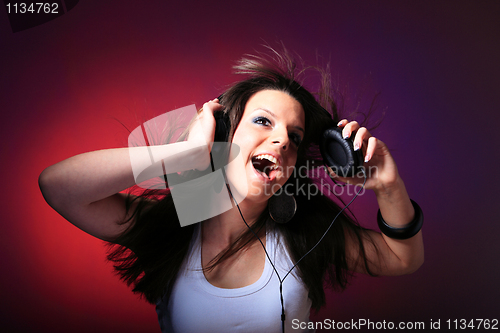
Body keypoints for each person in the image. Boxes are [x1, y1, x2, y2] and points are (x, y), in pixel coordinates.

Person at [39, 48, 424, 333]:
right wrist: (184, 154)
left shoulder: (305, 231)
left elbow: (402, 258)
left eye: (294, 136)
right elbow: (57, 187)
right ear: (226, 135)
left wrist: (389, 185)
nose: (282, 141)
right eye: (262, 122)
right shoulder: (174, 225)